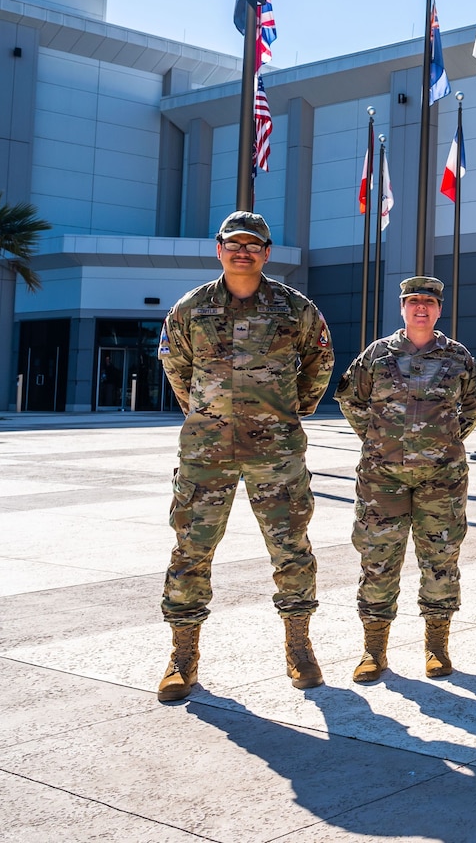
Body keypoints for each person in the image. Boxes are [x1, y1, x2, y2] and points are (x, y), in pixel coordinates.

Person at [155, 211, 333, 702]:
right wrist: (201, 412)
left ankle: (299, 646)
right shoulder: (191, 308)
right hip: (206, 453)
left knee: (291, 548)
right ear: (219, 249)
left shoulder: (294, 308)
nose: (243, 252)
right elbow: (175, 363)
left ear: (267, 253)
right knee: (191, 550)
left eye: (253, 245)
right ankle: (182, 656)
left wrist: (293, 410)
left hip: (275, 452)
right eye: (233, 244)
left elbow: (320, 360)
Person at [335, 276, 476, 683]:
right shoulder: (377, 355)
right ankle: (373, 649)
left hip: (442, 479)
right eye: (413, 301)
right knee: (378, 561)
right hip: (382, 478)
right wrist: (377, 439)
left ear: (439, 309)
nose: (421, 308)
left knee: (440, 561)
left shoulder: (457, 358)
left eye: (429, 302)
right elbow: (351, 399)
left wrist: (446, 440)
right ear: (402, 308)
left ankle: (436, 647)